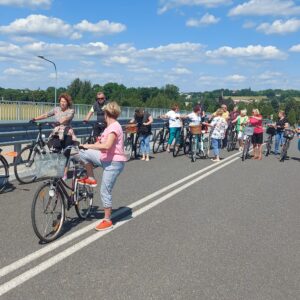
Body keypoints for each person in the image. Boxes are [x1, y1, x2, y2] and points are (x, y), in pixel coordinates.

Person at [78, 102, 126, 231]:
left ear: (107, 114)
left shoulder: (114, 127)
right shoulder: (108, 127)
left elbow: (106, 146)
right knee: (82, 153)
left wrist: (89, 145)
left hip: (114, 163)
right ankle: (91, 178)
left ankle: (107, 220)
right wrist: (89, 145)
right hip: (106, 159)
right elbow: (101, 143)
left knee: (105, 191)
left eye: (104, 113)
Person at [30, 93, 77, 180]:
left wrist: (59, 122)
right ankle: (57, 171)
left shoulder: (71, 110)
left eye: (64, 102)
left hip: (67, 134)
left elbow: (66, 118)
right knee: (55, 152)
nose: (62, 103)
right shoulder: (56, 109)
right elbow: (46, 115)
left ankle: (65, 174)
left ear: (68, 103)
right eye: (61, 101)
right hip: (57, 133)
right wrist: (35, 118)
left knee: (66, 154)